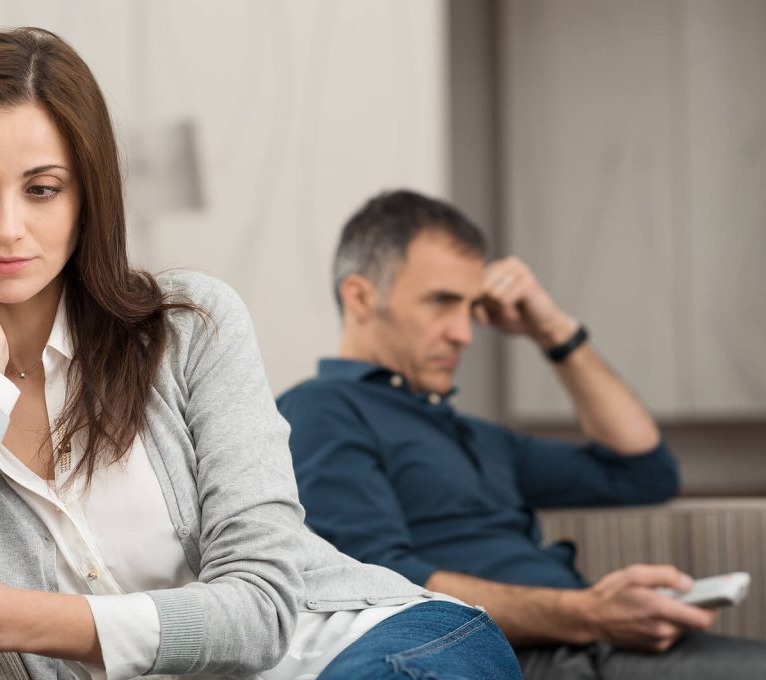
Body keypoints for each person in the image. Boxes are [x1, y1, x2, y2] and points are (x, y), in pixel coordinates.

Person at [0, 29, 523, 680]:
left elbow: (262, 607)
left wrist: (10, 617)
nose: (7, 227)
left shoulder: (191, 326)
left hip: (377, 643)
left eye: (42, 189)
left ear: (86, 202)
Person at [277, 189, 766, 679]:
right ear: (360, 297)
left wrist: (552, 329)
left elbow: (643, 471)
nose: (464, 334)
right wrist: (589, 613)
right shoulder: (321, 408)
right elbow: (381, 585)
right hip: (502, 654)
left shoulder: (479, 436)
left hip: (592, 649)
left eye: (471, 308)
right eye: (441, 303)